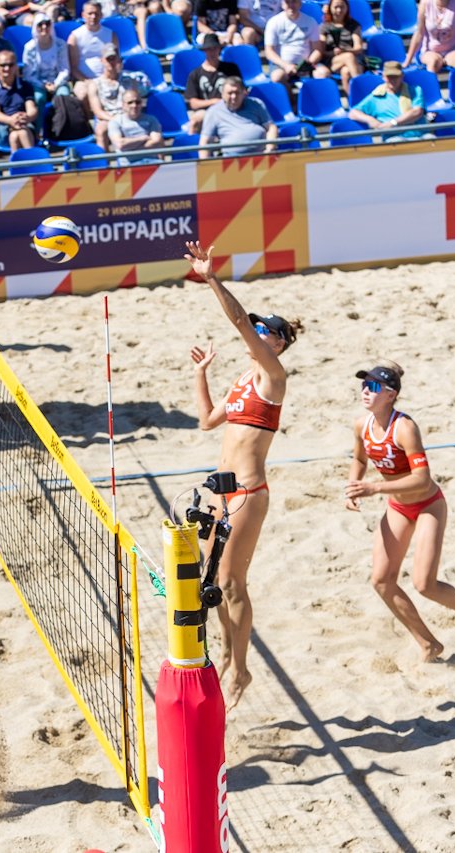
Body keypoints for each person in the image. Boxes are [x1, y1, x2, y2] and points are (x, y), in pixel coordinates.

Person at [184, 238, 302, 708]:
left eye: (263, 331)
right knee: (213, 584)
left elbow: (237, 320)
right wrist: (201, 373)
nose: (254, 333)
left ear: (278, 344)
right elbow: (207, 421)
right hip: (219, 491)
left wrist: (211, 278)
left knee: (234, 584)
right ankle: (228, 657)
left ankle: (241, 670)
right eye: (257, 329)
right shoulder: (242, 379)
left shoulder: (274, 377)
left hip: (249, 493)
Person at [344, 363, 455, 662]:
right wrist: (353, 486)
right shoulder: (361, 425)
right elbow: (359, 460)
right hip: (398, 506)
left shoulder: (405, 428)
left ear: (390, 395)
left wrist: (374, 488)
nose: (365, 391)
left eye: (373, 387)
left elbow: (422, 479)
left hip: (428, 505)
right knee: (381, 581)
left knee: (425, 584)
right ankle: (428, 644)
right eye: (363, 385)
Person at [198, 75, 277, 158]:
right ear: (222, 94)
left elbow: (271, 128)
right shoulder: (214, 112)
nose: (233, 97)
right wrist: (205, 163)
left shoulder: (256, 104)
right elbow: (205, 142)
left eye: (237, 93)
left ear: (244, 93)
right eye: (230, 93)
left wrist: (270, 149)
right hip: (232, 161)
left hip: (262, 157)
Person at [348, 60, 426, 138]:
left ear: (402, 76)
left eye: (396, 76)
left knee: (429, 138)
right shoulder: (376, 96)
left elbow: (417, 112)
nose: (393, 80)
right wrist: (370, 120)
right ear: (383, 77)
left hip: (421, 134)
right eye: (389, 77)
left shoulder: (415, 90)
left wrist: (393, 123)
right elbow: (353, 113)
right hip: (394, 137)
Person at [406, 0, 455, 73]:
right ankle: (430, 84)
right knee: (433, 62)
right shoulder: (425, 3)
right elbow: (419, 33)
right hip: (430, 50)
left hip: (453, 49)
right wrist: (408, 60)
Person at [87, 45, 143, 147]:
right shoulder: (94, 84)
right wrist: (115, 120)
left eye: (114, 59)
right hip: (108, 118)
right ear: (102, 61)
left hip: (129, 115)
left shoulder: (130, 80)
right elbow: (98, 111)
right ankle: (104, 157)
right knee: (100, 130)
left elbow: (136, 100)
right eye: (108, 59)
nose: (111, 62)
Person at [185, 31, 241, 132]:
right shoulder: (195, 74)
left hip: (231, 108)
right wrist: (215, 102)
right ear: (204, 51)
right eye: (208, 49)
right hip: (206, 110)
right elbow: (193, 103)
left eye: (214, 48)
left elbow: (241, 91)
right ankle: (192, 141)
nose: (212, 52)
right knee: (195, 121)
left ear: (219, 49)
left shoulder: (231, 69)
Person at [0, 49, 37, 148]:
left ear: (16, 66)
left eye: (11, 65)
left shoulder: (26, 86)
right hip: (1, 127)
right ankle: (32, 157)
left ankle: (17, 158)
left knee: (17, 134)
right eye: (2, 65)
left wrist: (26, 117)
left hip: (23, 123)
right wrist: (11, 120)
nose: (7, 68)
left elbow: (32, 109)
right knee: (20, 134)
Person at [263, 0, 326, 84]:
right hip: (281, 65)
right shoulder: (273, 22)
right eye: (287, 2)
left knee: (323, 73)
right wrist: (286, 65)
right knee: (277, 77)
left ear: (300, 3)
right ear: (282, 4)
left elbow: (317, 49)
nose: (291, 5)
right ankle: (288, 93)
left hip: (306, 64)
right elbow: (269, 51)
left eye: (294, 1)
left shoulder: (310, 22)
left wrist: (308, 63)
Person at [68, 0, 119, 101]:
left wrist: (108, 79)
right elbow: (73, 68)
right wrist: (88, 81)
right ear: (83, 15)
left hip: (108, 78)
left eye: (96, 13)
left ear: (101, 15)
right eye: (90, 13)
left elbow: (116, 62)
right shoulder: (75, 37)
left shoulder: (111, 35)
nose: (93, 16)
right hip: (83, 80)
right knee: (83, 94)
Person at [22, 13, 72, 114]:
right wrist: (43, 85)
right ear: (35, 27)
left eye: (47, 24)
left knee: (63, 96)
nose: (44, 27)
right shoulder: (29, 48)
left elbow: (65, 69)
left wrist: (56, 84)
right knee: (39, 98)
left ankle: (62, 124)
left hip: (58, 82)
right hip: (37, 83)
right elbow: (28, 74)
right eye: (40, 24)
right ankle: (39, 124)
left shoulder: (61, 45)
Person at [320, 0, 365, 92]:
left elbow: (358, 48)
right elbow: (322, 51)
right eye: (336, 7)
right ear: (330, 8)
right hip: (333, 60)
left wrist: (345, 51)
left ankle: (352, 98)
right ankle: (362, 90)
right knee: (348, 57)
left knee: (346, 71)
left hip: (354, 59)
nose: (339, 10)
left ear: (347, 8)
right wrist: (333, 52)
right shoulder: (324, 26)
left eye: (342, 7)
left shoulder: (353, 25)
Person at [108, 89, 165, 159]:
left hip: (151, 161)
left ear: (142, 104)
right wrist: (143, 138)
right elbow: (120, 144)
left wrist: (129, 148)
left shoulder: (151, 119)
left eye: (138, 102)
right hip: (128, 164)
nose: (134, 105)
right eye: (130, 102)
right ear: (123, 105)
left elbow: (156, 141)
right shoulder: (115, 122)